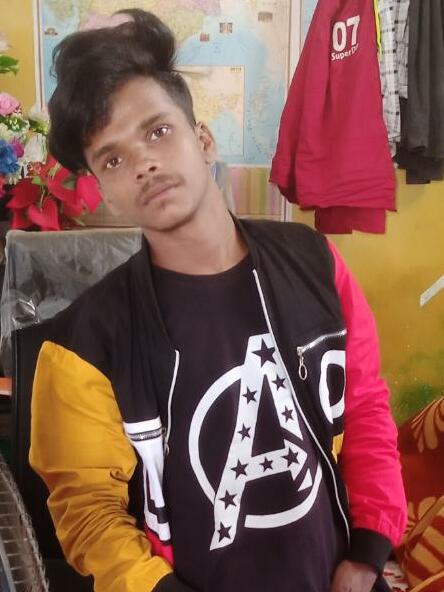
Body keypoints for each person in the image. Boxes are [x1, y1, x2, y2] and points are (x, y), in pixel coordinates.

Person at [29, 9, 407, 592]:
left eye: (158, 131)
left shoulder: (313, 261)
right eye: (113, 159)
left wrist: (369, 550)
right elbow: (89, 513)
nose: (144, 164)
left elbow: (364, 407)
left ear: (202, 139)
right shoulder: (81, 343)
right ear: (102, 188)